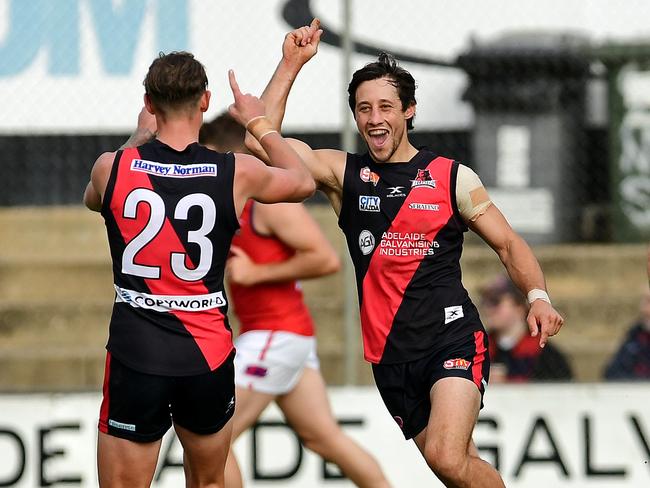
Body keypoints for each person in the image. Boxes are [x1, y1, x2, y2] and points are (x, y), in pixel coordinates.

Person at [243, 20, 565, 487]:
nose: (375, 118)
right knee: (454, 468)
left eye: (386, 107)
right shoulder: (342, 175)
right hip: (391, 355)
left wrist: (537, 294)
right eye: (364, 108)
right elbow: (260, 141)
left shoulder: (451, 177)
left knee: (447, 456)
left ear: (409, 110)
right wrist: (291, 64)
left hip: (452, 339)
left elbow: (508, 243)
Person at [83, 52, 315, 487]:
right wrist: (257, 122)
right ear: (206, 101)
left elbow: (93, 199)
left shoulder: (111, 166)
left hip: (138, 351)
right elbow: (301, 180)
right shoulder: (234, 173)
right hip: (206, 353)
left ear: (149, 103)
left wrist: (136, 137)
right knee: (210, 483)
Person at [199, 112, 391, 488]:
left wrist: (257, 273)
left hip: (276, 335)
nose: (204, 166)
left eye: (209, 156)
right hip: (285, 338)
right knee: (324, 438)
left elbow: (325, 258)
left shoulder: (270, 204)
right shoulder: (234, 201)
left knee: (212, 438)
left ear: (232, 155)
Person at [480, 275, 572, 383]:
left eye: (495, 301)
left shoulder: (544, 355)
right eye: (484, 302)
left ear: (520, 306)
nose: (487, 309)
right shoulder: (479, 347)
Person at [603, 288, 650, 380]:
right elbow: (612, 372)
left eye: (649, 302)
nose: (643, 309)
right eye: (644, 302)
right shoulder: (636, 335)